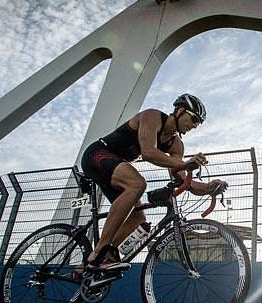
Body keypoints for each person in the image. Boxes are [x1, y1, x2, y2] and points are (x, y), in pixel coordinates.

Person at [80, 93, 228, 271]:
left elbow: (180, 176)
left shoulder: (177, 145)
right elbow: (149, 152)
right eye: (193, 119)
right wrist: (185, 163)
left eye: (197, 124)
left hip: (116, 168)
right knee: (137, 184)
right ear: (180, 111)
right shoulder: (152, 116)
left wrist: (208, 188)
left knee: (138, 219)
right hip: (97, 155)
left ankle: (89, 267)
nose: (194, 126)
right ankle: (99, 252)